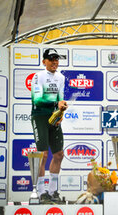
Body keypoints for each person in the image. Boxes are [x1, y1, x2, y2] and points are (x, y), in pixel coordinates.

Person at [31, 48, 68, 204]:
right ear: (44, 61)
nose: (55, 62)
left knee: (59, 154)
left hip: (53, 117)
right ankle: (40, 192)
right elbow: (37, 100)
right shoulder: (37, 76)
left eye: (57, 59)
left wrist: (60, 114)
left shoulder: (60, 77)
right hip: (39, 116)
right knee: (43, 155)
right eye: (51, 59)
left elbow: (60, 99)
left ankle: (52, 191)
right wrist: (55, 104)